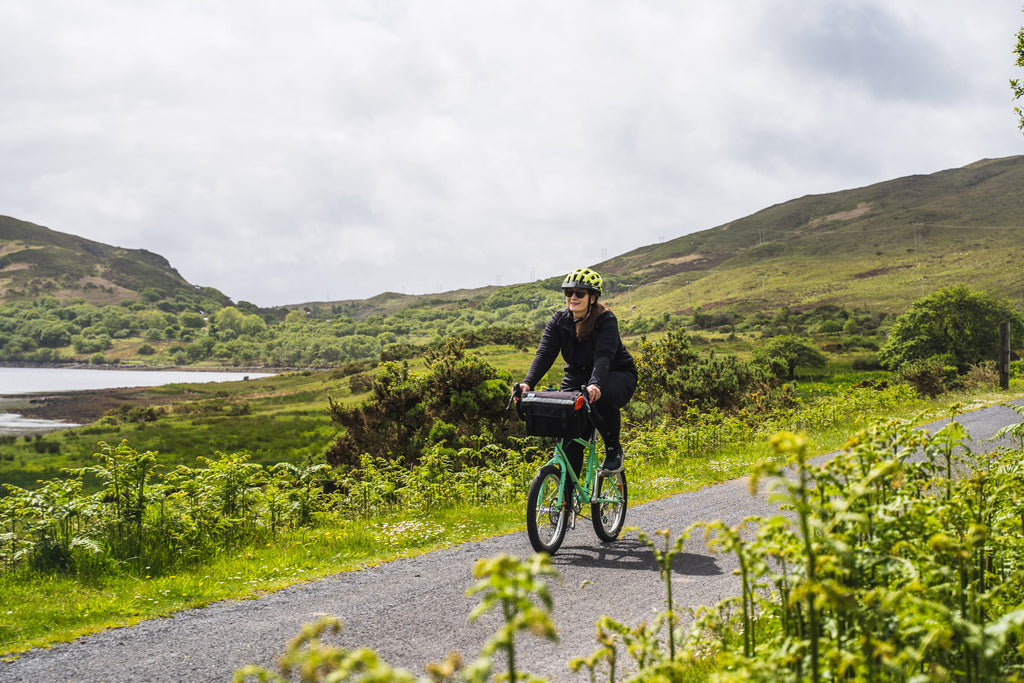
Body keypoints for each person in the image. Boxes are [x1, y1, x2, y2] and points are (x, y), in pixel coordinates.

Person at [517, 267, 638, 476]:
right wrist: (528, 383)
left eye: (579, 293)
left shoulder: (606, 319)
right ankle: (567, 500)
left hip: (616, 374)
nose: (573, 297)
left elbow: (603, 356)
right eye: (568, 293)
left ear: (592, 298)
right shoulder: (559, 320)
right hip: (577, 377)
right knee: (569, 437)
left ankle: (613, 450)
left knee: (602, 397)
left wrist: (595, 384)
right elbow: (545, 354)